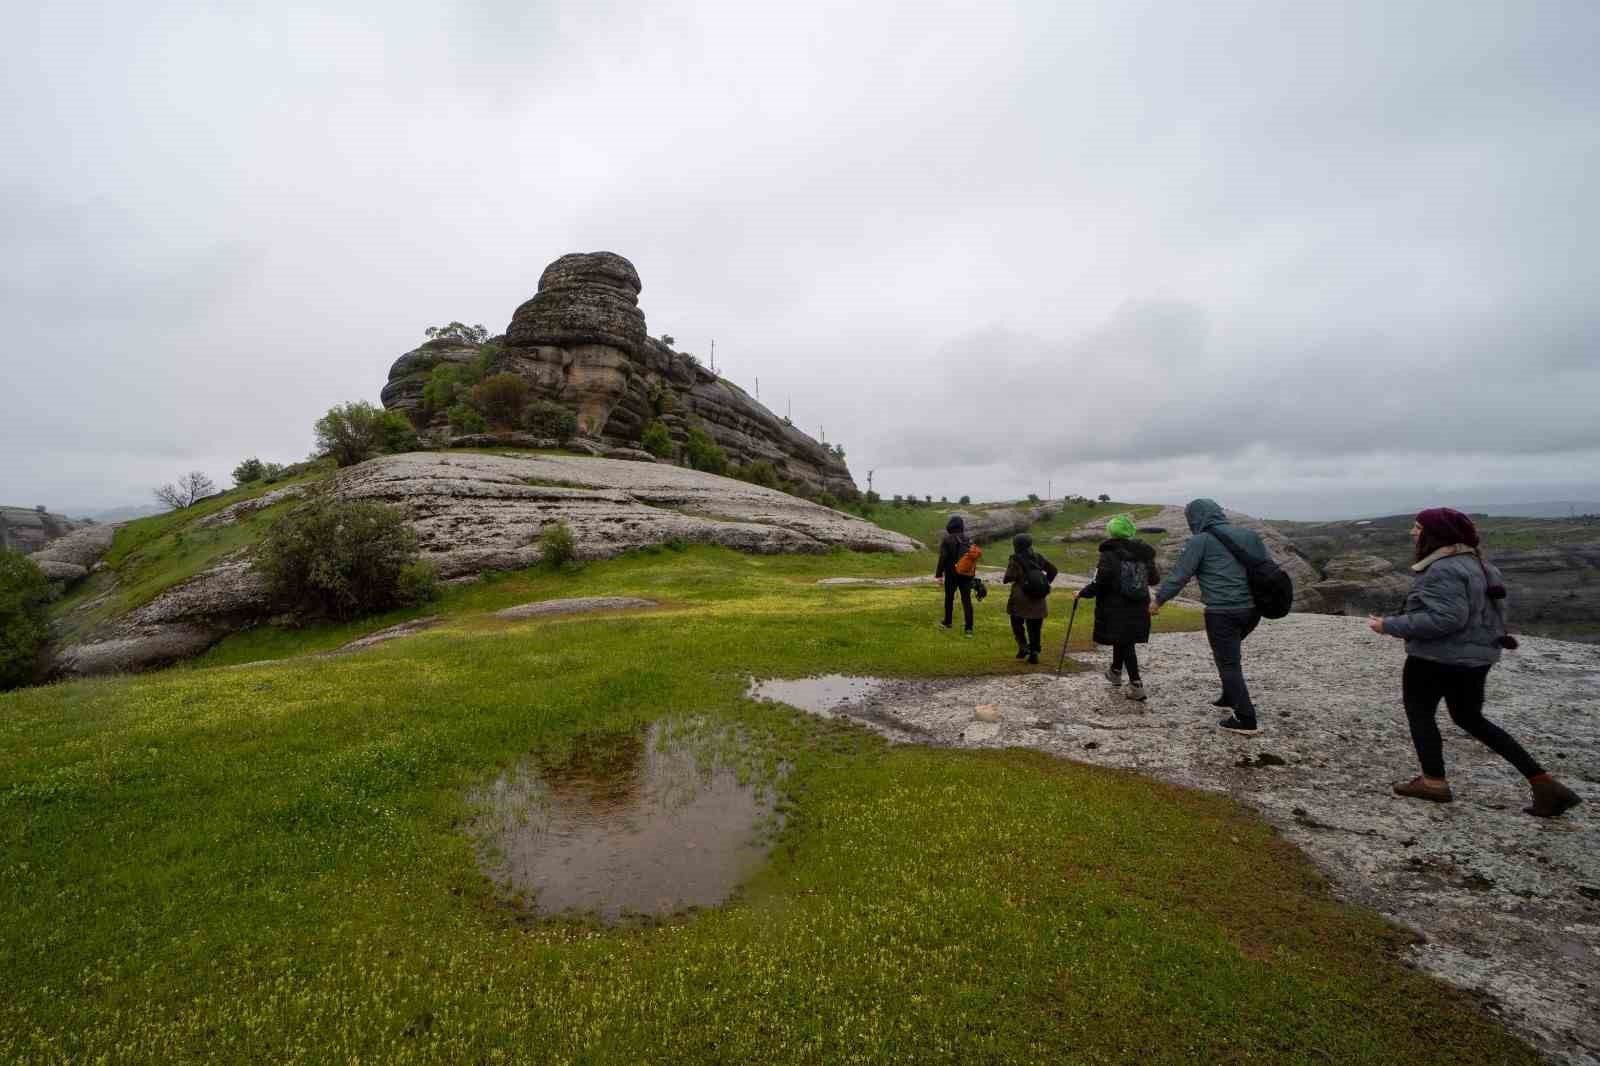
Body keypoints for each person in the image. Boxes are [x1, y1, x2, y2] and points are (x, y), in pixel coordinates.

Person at [1369, 508, 1582, 817]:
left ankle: (1433, 782)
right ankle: (1544, 783)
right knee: (1470, 718)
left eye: (1417, 527)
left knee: (1420, 713)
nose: (1412, 532)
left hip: (1435, 658)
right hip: (1477, 658)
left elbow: (1447, 619)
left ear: (1436, 534)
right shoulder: (1482, 566)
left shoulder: (1442, 569)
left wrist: (1388, 625)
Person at [1149, 498, 1268, 732]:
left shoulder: (1200, 541)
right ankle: (1229, 695)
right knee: (1229, 655)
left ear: (1194, 518)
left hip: (1223, 612)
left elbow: (1180, 575)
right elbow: (1266, 567)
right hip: (1253, 610)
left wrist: (1159, 600)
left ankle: (1245, 718)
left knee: (1228, 661)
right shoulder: (1250, 535)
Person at [1074, 514, 1161, 701]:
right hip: (1138, 604)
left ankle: (1136, 685)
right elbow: (1154, 580)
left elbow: (1101, 582)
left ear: (1111, 532)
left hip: (1115, 606)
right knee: (1123, 639)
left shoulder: (1108, 554)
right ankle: (1115, 672)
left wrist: (1082, 593)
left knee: (1125, 642)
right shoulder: (1144, 553)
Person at [1003, 533, 1058, 664]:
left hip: (1020, 598)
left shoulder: (1015, 559)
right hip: (1039, 598)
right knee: (1035, 627)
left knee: (1016, 622)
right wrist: (1044, 584)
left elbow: (1008, 578)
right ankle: (1034, 652)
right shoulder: (1038, 557)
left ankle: (1023, 646)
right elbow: (1053, 570)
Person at [934, 515, 975, 637]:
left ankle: (948, 622)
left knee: (949, 598)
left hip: (951, 573)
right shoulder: (968, 539)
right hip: (966, 574)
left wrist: (939, 574)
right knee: (966, 600)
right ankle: (969, 628)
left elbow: (943, 557)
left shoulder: (947, 539)